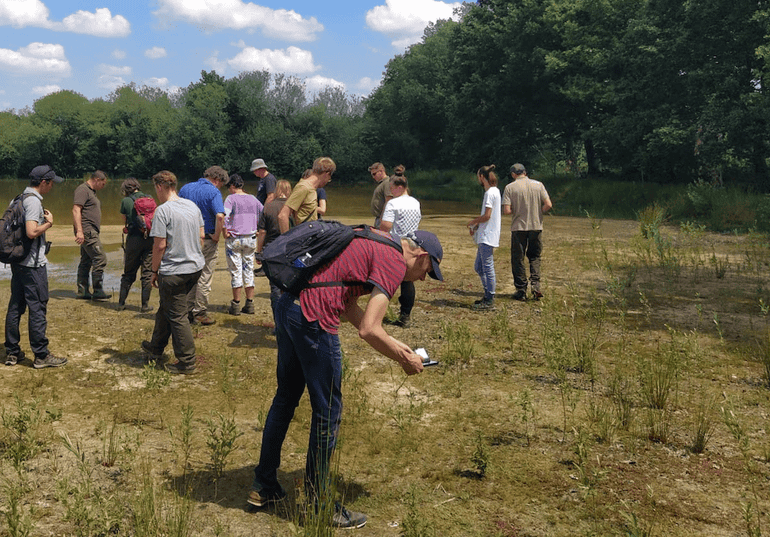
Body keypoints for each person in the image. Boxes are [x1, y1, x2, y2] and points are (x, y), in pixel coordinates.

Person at [247, 227, 445, 530]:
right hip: (313, 317)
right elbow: (369, 329)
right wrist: (404, 358)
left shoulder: (374, 240)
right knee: (328, 412)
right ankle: (319, 503)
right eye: (428, 271)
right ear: (421, 255)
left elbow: (349, 303)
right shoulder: (393, 261)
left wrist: (393, 341)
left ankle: (264, 486)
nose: (422, 279)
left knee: (286, 398)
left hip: (289, 306)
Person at [141, 170, 205, 375]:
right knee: (167, 309)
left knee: (178, 316)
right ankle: (155, 347)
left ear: (160, 187)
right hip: (194, 267)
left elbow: (159, 245)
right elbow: (202, 236)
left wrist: (154, 270)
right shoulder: (192, 206)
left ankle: (187, 362)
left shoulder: (163, 211)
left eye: (155, 189)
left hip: (174, 271)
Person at [4, 165, 67, 368]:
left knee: (16, 306)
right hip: (32, 265)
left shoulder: (17, 198)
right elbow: (31, 232)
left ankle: (12, 352)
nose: (52, 187)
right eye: (51, 183)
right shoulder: (32, 202)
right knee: (38, 307)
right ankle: (41, 355)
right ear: (43, 182)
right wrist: (48, 223)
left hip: (17, 262)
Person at [178, 165, 227, 325]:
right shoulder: (213, 192)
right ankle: (199, 312)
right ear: (217, 180)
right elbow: (220, 216)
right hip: (205, 238)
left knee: (187, 273)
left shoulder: (185, 188)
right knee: (204, 275)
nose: (220, 186)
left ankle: (184, 310)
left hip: (186, 238)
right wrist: (216, 236)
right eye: (221, 183)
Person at [502, 163, 552, 301]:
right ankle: (536, 287)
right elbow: (548, 204)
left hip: (519, 227)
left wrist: (517, 210)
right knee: (535, 257)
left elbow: (507, 211)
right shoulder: (538, 185)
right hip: (536, 226)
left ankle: (521, 289)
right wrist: (538, 212)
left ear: (513, 174)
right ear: (525, 172)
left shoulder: (510, 188)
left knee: (518, 258)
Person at [379, 165, 421, 327]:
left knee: (385, 280)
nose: (390, 192)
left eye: (392, 189)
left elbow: (385, 225)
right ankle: (405, 316)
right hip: (413, 244)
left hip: (396, 244)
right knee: (407, 280)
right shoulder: (415, 202)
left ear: (399, 187)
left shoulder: (393, 204)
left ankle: (377, 313)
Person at [223, 173, 262, 316]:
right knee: (249, 268)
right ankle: (250, 303)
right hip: (250, 238)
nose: (229, 190)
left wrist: (224, 231)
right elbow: (263, 213)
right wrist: (258, 228)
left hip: (234, 239)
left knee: (236, 271)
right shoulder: (253, 199)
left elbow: (224, 216)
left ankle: (236, 304)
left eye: (229, 187)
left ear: (232, 185)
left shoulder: (230, 199)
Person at [467, 165, 502, 310]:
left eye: (478, 176)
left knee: (487, 267)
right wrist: (476, 227)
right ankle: (487, 294)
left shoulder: (489, 193)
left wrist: (473, 222)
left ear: (482, 177)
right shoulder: (495, 191)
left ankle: (489, 299)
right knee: (479, 267)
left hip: (487, 235)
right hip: (487, 234)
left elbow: (487, 216)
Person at [72, 170, 111, 300]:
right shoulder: (83, 190)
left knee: (86, 260)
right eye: (103, 184)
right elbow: (76, 210)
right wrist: (79, 231)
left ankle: (83, 291)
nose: (103, 187)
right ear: (97, 180)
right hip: (87, 231)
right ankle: (98, 290)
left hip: (90, 230)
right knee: (100, 258)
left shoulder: (91, 191)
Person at [257, 179, 292, 320]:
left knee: (275, 287)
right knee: (290, 286)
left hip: (272, 250)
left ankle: (278, 322)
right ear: (289, 190)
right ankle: (291, 319)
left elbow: (262, 232)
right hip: (290, 250)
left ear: (277, 190)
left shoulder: (268, 207)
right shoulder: (293, 207)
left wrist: (258, 252)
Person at [118, 178, 154, 312]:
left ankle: (121, 303)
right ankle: (145, 305)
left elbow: (124, 220)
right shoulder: (149, 197)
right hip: (149, 238)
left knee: (128, 272)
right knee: (147, 273)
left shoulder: (126, 201)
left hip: (134, 239)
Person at [278, 157, 334, 233]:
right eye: (329, 178)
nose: (328, 181)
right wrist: (286, 241)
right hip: (303, 237)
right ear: (326, 174)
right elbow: (283, 215)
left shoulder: (312, 188)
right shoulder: (304, 187)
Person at [369, 162, 391, 228]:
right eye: (372, 175)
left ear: (381, 171)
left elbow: (389, 201)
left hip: (382, 218)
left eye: (374, 174)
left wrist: (383, 218)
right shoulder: (382, 183)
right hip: (379, 217)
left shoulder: (387, 182)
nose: (373, 177)